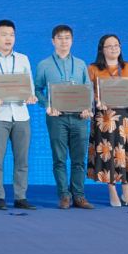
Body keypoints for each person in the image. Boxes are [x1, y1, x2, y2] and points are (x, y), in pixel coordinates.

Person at [0, 19, 38, 210]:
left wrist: (31, 96)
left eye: (11, 35)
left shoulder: (23, 58)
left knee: (22, 160)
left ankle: (20, 197)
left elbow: (29, 84)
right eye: (4, 34)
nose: (8, 38)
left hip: (21, 115)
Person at [33, 25, 95, 210]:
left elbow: (88, 89)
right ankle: (64, 195)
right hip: (57, 118)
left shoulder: (81, 64)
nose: (64, 41)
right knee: (59, 159)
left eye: (67, 37)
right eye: (59, 38)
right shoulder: (44, 65)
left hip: (79, 118)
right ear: (53, 41)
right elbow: (37, 89)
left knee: (79, 159)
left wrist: (87, 107)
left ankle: (79, 196)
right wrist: (47, 105)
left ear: (72, 40)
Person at [87, 34, 128, 207]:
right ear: (102, 49)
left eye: (116, 45)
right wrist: (96, 101)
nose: (114, 48)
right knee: (109, 154)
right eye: (109, 46)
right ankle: (112, 191)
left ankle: (127, 194)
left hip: (126, 118)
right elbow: (89, 92)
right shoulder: (93, 68)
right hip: (105, 119)